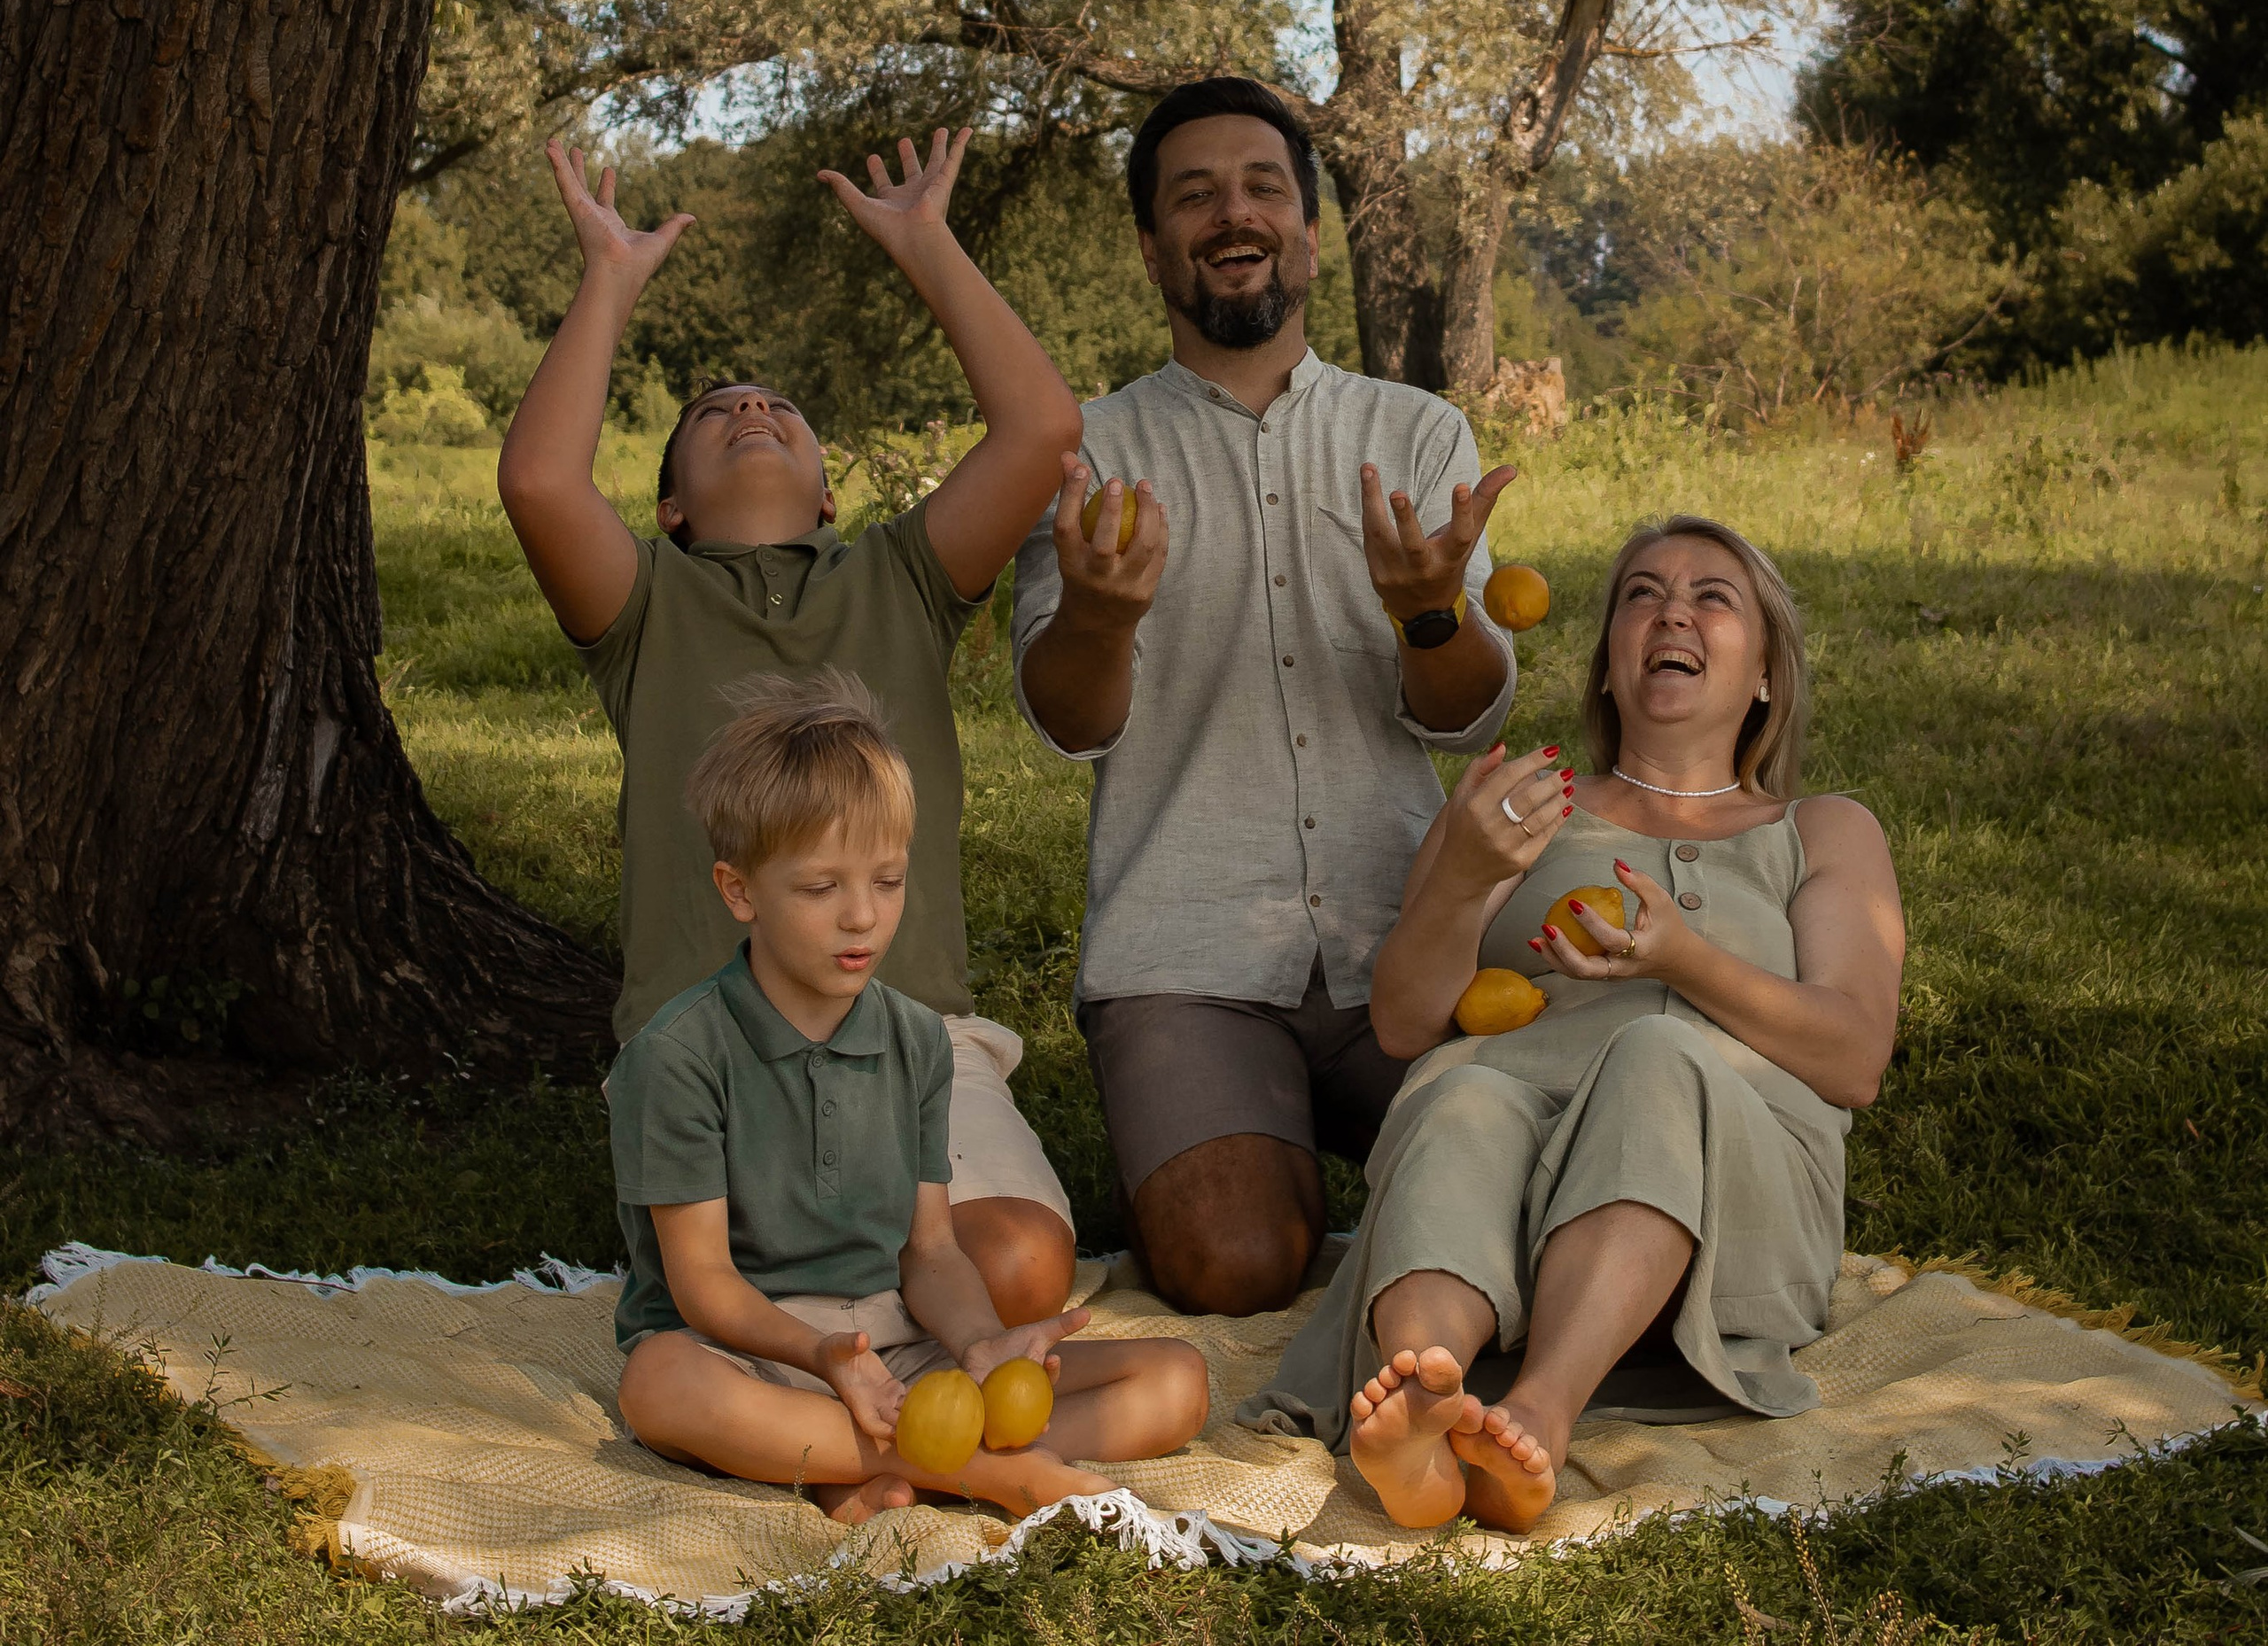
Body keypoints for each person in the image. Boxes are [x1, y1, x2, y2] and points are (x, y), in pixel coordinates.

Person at [498, 126, 1081, 1324]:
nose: (753, 408)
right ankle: (851, 1335)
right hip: (716, 1061)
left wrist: (927, 244)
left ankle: (840, 1332)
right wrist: (608, 280)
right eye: (716, 411)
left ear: (826, 494)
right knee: (759, 1295)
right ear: (670, 507)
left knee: (1020, 1267)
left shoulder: (904, 578)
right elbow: (541, 483)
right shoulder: (643, 605)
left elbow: (1038, 433)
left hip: (916, 1044)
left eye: (779, 408)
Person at [1245, 516, 1906, 1533]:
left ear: (1767, 674)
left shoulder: (1819, 830)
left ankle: (1538, 1412)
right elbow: (1405, 1023)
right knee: (1461, 1091)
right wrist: (1463, 874)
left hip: (1734, 1190)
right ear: (1607, 665)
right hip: (1507, 1182)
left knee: (1657, 1053)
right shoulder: (1515, 808)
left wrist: (1684, 961)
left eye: (1711, 597)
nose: (1670, 613)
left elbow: (1854, 1058)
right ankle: (1422, 1401)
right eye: (1641, 595)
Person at [1010, 77, 1519, 1318]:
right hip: (1181, 957)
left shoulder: (1418, 433)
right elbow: (1070, 720)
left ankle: (1343, 1156)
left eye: (1261, 189)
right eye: (1194, 196)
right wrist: (1099, 618)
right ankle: (1228, 1138)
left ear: (1308, 231)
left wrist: (1428, 613)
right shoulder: (1085, 456)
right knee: (1234, 1264)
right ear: (1151, 247)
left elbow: (1469, 714)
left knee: (1540, 1196)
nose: (1231, 214)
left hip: (1403, 936)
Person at [611, 674, 1208, 1523]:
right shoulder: (677, 1056)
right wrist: (826, 1356)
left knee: (1176, 1379)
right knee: (658, 1384)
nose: (862, 917)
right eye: (821, 889)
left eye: (887, 881)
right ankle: (993, 1476)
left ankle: (865, 1469)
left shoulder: (919, 1041)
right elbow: (704, 1283)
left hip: (897, 1353)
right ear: (739, 890)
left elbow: (929, 1252)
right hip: (749, 1352)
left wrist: (979, 1344)